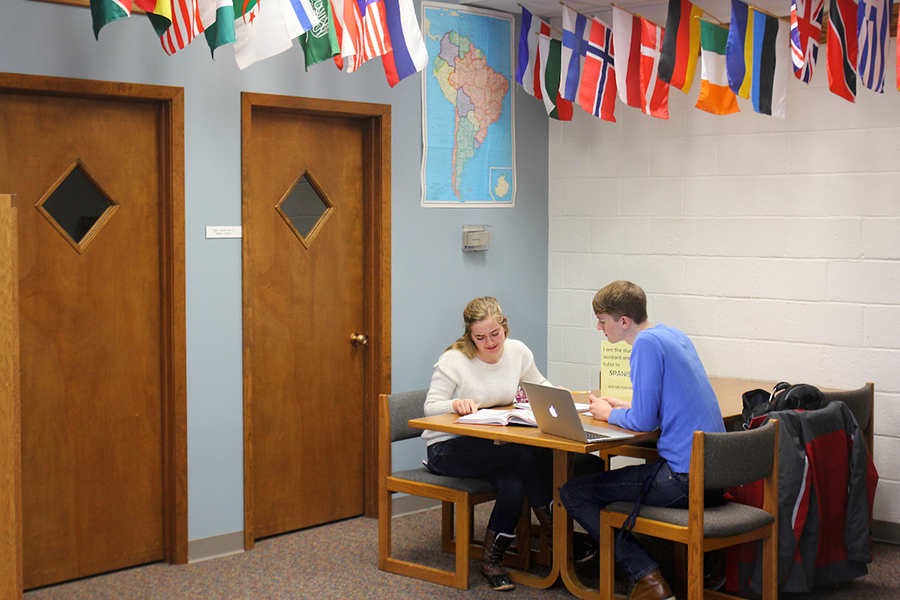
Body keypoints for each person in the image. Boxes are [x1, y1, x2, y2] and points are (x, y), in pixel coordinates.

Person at [560, 281, 725, 600]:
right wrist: (626, 407)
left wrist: (608, 414)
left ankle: (648, 578)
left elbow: (644, 422)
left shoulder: (645, 344)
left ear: (623, 321)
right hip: (715, 476)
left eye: (602, 320)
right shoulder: (672, 334)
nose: (598, 327)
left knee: (574, 492)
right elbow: (667, 405)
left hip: (684, 479)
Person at [423, 296, 594, 592]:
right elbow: (430, 408)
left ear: (504, 326)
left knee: (515, 483)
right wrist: (455, 403)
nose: (489, 342)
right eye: (480, 337)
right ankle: (557, 536)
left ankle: (491, 561)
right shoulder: (455, 359)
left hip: (495, 446)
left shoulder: (517, 352)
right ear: (469, 334)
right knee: (524, 455)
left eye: (495, 334)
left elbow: (538, 385)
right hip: (448, 448)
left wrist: (559, 393)